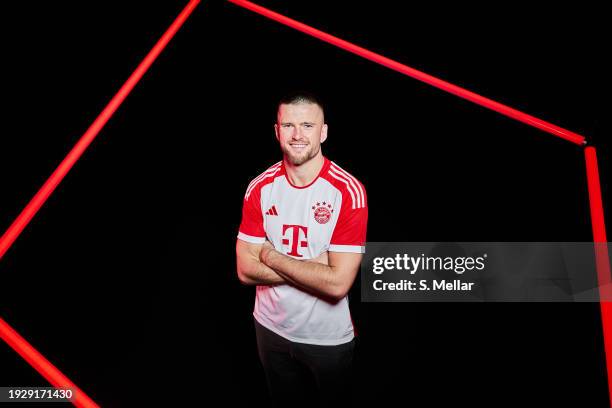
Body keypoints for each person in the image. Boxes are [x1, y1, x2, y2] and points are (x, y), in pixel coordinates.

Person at [236, 91, 368, 407]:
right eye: (289, 126)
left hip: (326, 337)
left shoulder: (348, 191)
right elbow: (244, 270)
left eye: (308, 125)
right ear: (277, 131)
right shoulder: (260, 187)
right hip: (268, 328)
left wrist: (269, 254)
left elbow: (337, 285)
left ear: (323, 132)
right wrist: (316, 267)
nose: (297, 135)